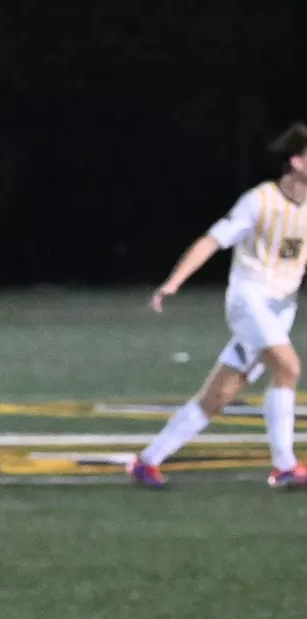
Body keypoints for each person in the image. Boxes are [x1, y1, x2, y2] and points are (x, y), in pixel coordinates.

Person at [130, 123, 307, 489]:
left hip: (281, 308)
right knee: (288, 367)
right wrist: (174, 282)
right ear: (297, 161)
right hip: (249, 300)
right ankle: (285, 466)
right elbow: (212, 241)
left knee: (219, 395)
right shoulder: (260, 200)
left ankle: (147, 461)